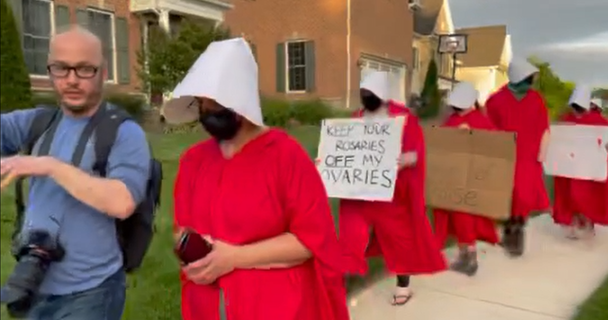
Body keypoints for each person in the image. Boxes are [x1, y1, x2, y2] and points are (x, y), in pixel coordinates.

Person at [167, 38, 349, 320]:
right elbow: (181, 231)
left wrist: (234, 258)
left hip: (277, 307)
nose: (206, 111)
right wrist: (194, 251)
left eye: (214, 103)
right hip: (208, 306)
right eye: (201, 102)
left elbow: (310, 241)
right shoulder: (193, 160)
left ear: (239, 103)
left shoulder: (286, 156)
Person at [0, 26, 150, 319]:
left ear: (103, 72)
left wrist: (49, 166)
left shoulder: (123, 132)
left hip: (91, 292)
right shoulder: (38, 121)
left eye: (84, 69)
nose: (71, 80)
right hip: (35, 283)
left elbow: (122, 202)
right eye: (61, 68)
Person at [338, 71, 446, 306]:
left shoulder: (404, 118)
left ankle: (403, 284)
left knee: (399, 238)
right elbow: (344, 151)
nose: (366, 97)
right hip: (359, 193)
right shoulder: (356, 118)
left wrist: (407, 159)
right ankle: (340, 283)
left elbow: (417, 152)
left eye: (370, 94)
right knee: (349, 236)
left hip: (391, 193)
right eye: (363, 94)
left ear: (383, 95)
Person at [432, 82, 500, 276]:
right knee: (454, 216)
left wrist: (471, 134)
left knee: (465, 217)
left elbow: (493, 145)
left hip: (470, 178)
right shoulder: (451, 119)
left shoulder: (480, 120)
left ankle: (470, 256)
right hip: (451, 177)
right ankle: (464, 255)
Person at [484, 59, 550, 257]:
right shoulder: (495, 100)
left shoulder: (536, 99)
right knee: (508, 194)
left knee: (524, 194)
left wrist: (542, 152)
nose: (531, 82)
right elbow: (489, 129)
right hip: (506, 155)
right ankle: (511, 228)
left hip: (529, 155)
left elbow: (544, 126)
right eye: (528, 78)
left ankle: (517, 228)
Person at [553, 87, 608, 239]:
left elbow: (606, 145)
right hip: (570, 166)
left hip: (588, 168)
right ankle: (574, 222)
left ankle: (587, 222)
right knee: (570, 194)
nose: (576, 111)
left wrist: (606, 148)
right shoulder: (566, 120)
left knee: (585, 195)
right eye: (574, 107)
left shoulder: (600, 122)